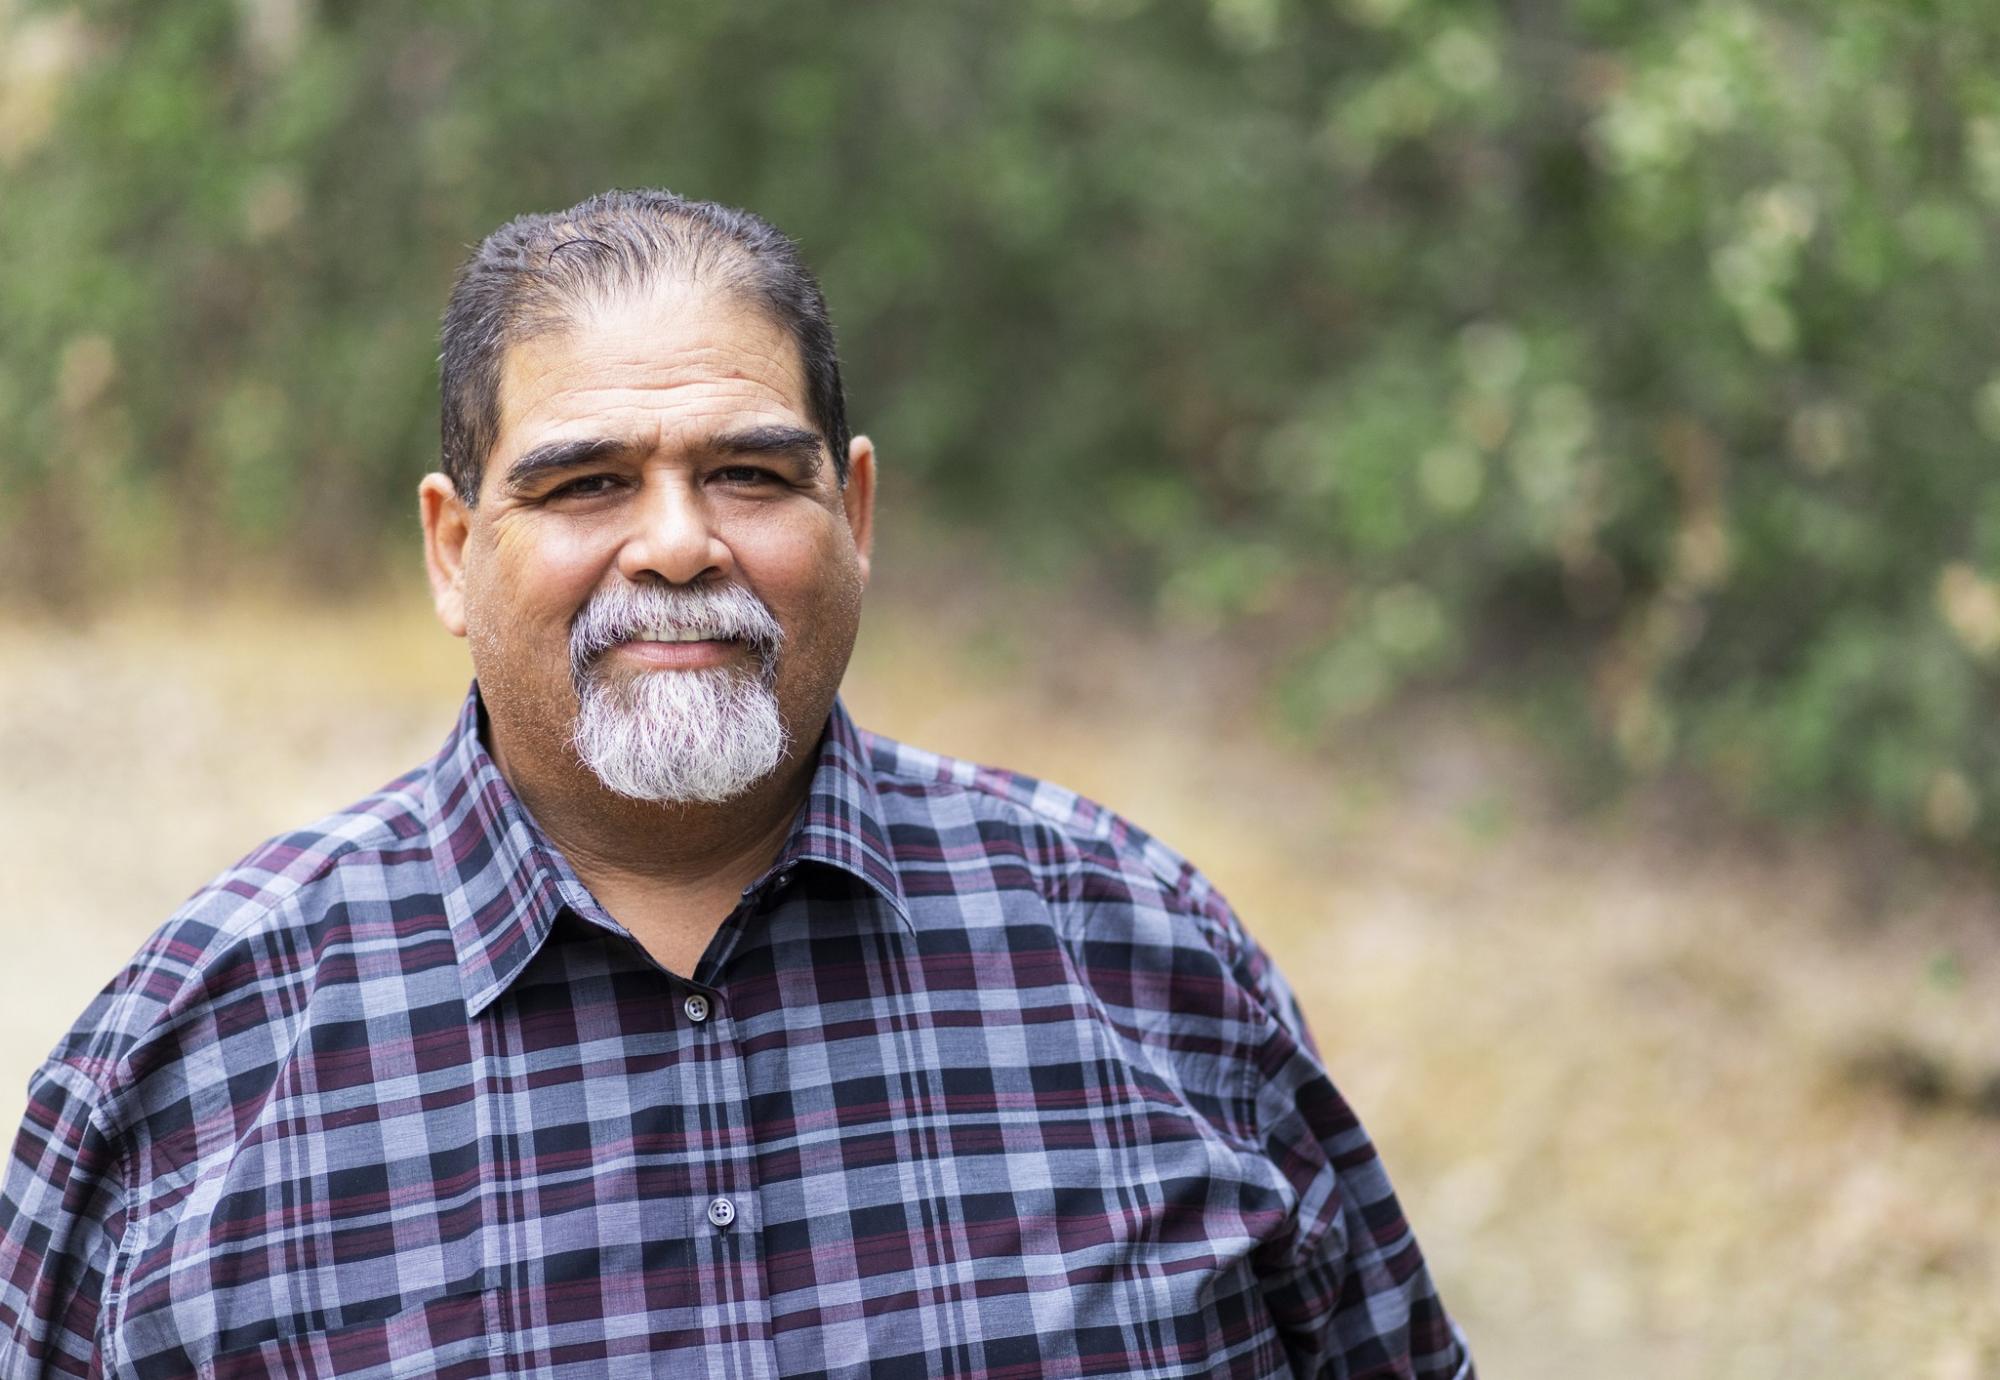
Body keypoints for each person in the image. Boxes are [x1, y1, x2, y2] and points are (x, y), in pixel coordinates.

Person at [0, 190, 1474, 1379]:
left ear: (859, 512)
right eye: (585, 485)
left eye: (753, 476)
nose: (679, 545)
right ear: (453, 550)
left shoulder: (1139, 958)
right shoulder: (192, 1067)